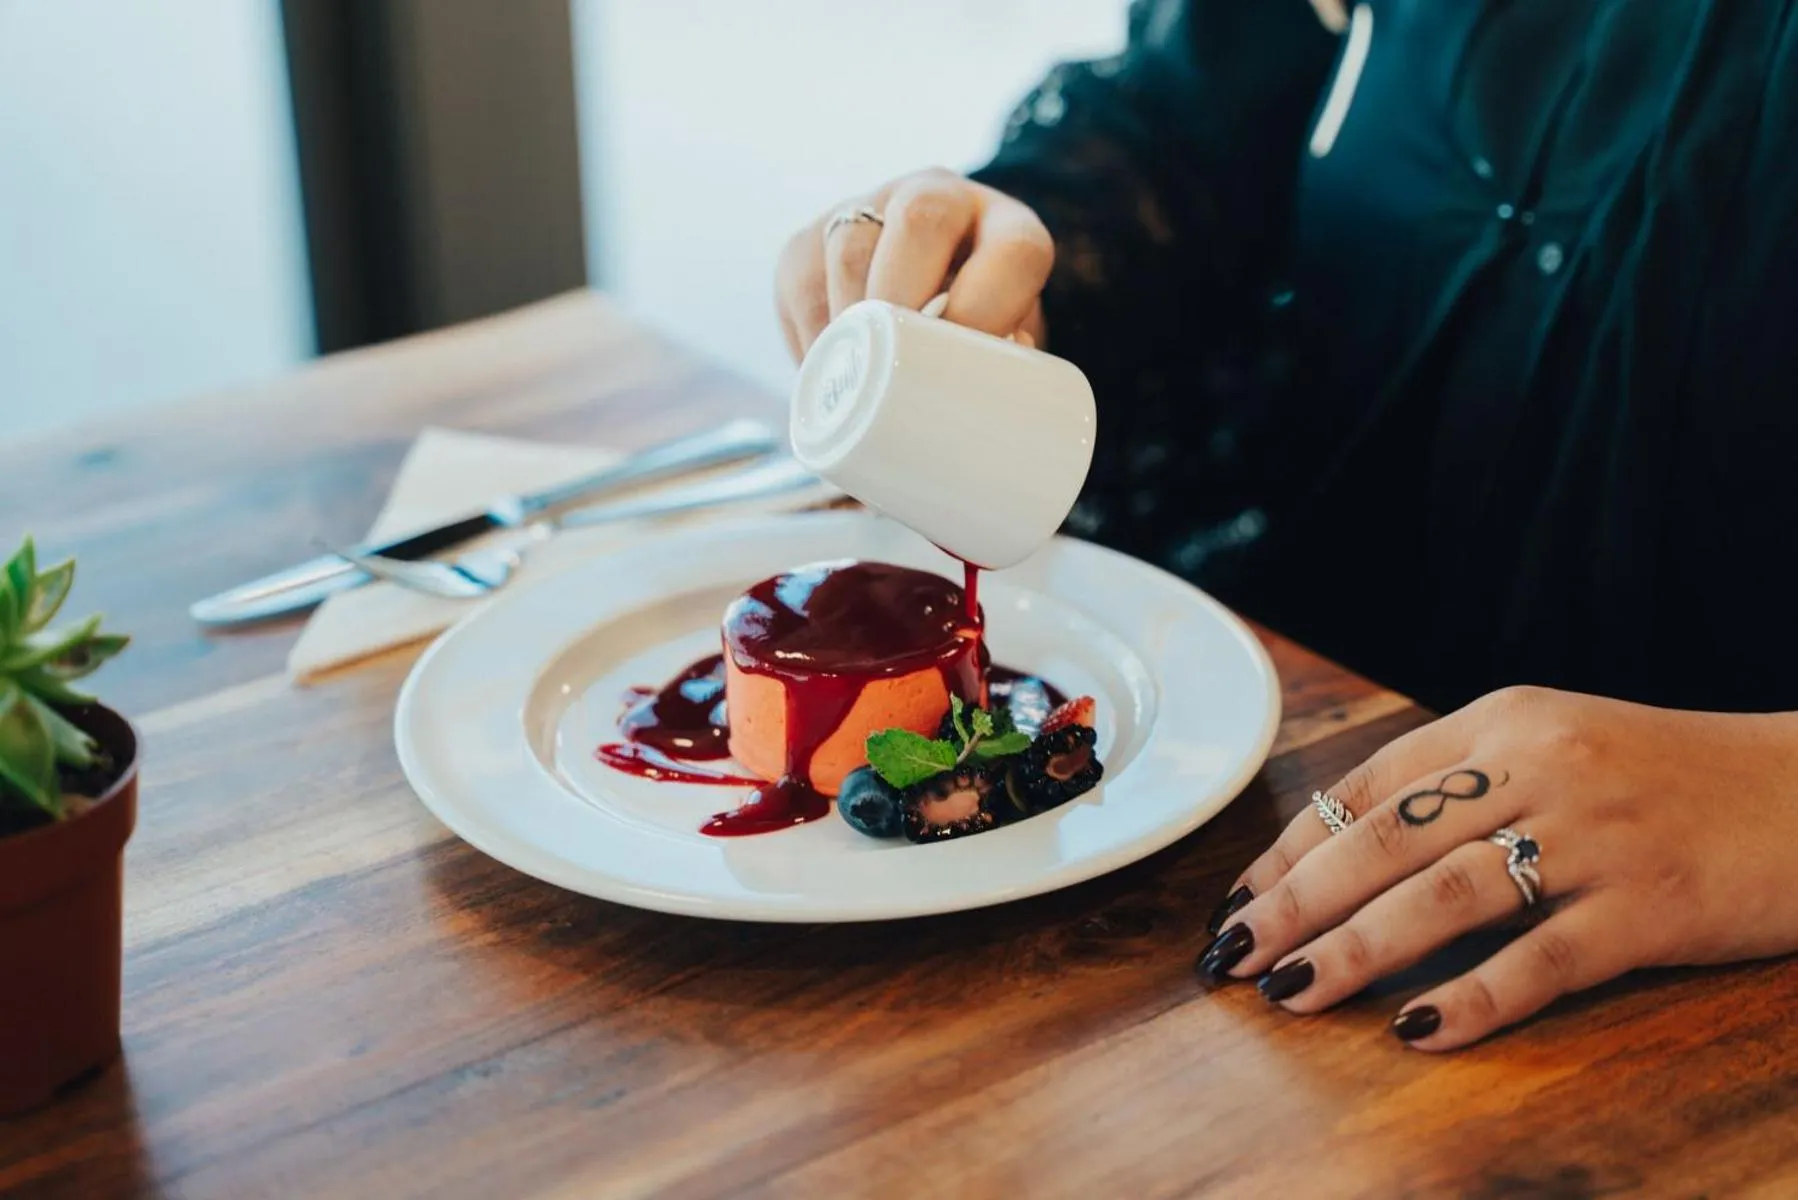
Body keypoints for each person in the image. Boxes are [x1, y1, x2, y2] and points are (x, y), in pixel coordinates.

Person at [774, 0, 1798, 1050]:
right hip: (1275, 767)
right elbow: (1194, 133)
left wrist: (1779, 799)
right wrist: (1012, 258)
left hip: (1692, 983)